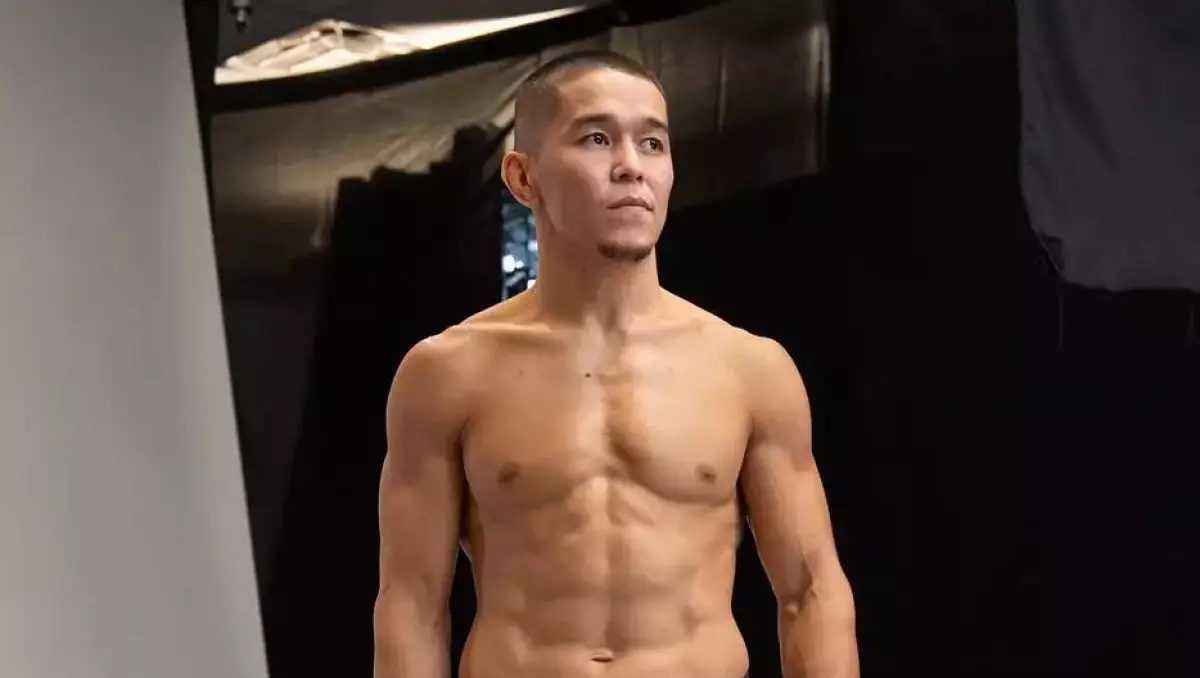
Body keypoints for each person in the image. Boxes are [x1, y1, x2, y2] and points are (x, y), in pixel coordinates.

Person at [372, 50, 858, 678]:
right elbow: (411, 608)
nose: (631, 166)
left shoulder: (748, 369)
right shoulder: (448, 373)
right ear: (523, 177)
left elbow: (811, 591)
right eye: (597, 139)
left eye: (653, 143)